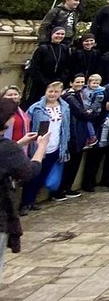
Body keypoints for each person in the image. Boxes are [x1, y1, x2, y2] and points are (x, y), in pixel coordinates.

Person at [1, 97, 50, 281]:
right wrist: (41, 148)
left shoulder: (8, 148)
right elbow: (29, 171)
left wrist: (19, 143)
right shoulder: (6, 149)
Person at [21, 81, 71, 211]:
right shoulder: (36, 107)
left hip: (56, 145)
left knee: (43, 176)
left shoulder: (64, 107)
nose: (52, 94)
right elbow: (27, 125)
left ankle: (32, 201)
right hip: (38, 147)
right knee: (33, 175)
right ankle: (25, 202)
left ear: (60, 93)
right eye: (50, 91)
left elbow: (66, 127)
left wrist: (64, 146)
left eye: (56, 92)